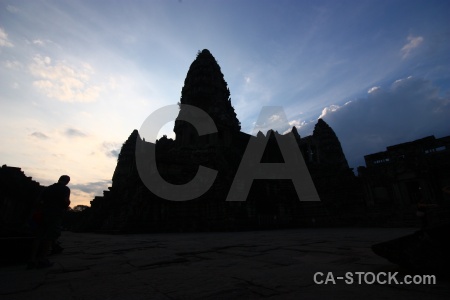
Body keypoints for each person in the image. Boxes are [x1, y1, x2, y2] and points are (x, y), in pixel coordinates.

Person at [28, 175, 71, 269]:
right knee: (49, 237)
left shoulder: (48, 188)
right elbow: (65, 201)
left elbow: (38, 201)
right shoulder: (65, 189)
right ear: (67, 181)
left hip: (43, 213)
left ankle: (32, 259)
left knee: (39, 236)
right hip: (55, 214)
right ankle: (42, 259)